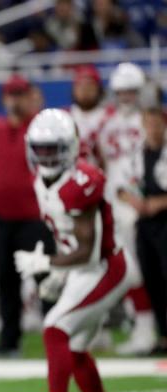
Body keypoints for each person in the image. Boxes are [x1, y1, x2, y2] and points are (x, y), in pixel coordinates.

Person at [14, 109, 135, 392]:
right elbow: (67, 237)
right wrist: (60, 270)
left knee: (55, 328)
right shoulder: (41, 180)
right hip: (86, 268)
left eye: (53, 148)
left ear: (69, 147)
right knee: (77, 347)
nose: (46, 155)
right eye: (41, 148)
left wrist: (48, 263)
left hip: (105, 267)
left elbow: (89, 251)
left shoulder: (82, 182)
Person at [0, 74, 51, 357]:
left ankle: (57, 337)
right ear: (4, 99)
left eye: (20, 94)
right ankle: (9, 341)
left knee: (45, 278)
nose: (15, 100)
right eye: (11, 95)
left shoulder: (42, 127)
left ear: (30, 96)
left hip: (34, 217)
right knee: (6, 281)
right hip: (1, 218)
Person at [96, 62, 156, 356]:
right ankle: (138, 325)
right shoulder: (108, 123)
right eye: (122, 91)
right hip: (115, 200)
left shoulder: (152, 121)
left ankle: (146, 328)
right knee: (126, 267)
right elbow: (107, 163)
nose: (126, 97)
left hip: (142, 201)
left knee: (141, 268)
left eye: (131, 91)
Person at [120, 90, 167, 355]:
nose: (152, 128)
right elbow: (121, 186)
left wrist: (158, 203)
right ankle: (163, 335)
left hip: (164, 221)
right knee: (151, 280)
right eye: (148, 123)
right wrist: (133, 201)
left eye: (157, 123)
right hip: (145, 225)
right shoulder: (136, 154)